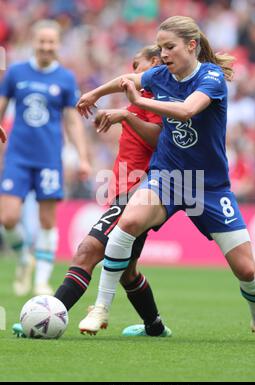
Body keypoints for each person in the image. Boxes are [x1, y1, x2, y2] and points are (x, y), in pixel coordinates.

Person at [76, 16, 255, 343]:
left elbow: (187, 110)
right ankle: (101, 307)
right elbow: (126, 79)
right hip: (168, 178)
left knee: (247, 270)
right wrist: (94, 94)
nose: (163, 54)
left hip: (210, 187)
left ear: (192, 46)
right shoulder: (160, 74)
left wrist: (137, 103)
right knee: (128, 223)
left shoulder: (212, 77)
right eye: (160, 48)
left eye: (170, 47)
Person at [14, 44, 170, 338]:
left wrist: (125, 116)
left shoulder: (159, 98)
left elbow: (160, 141)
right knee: (127, 271)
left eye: (135, 66)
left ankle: (45, 318)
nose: (131, 74)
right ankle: (155, 326)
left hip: (140, 192)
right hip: (128, 190)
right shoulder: (140, 100)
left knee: (87, 251)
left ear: (153, 63)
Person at [0, 19, 91, 297]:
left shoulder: (64, 78)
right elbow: (2, 106)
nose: (46, 46)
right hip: (17, 156)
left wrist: (83, 157)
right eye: (42, 41)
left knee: (47, 220)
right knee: (8, 218)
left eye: (51, 42)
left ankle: (41, 279)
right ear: (34, 42)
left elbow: (72, 120)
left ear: (58, 45)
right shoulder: (16, 72)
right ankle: (24, 260)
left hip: (49, 158)